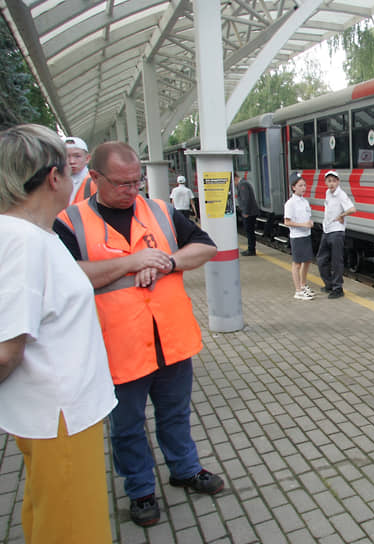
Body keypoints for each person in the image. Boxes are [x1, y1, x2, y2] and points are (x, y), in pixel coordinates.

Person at [54, 141, 224, 527]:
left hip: (171, 340)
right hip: (118, 345)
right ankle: (140, 489)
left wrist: (165, 262)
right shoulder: (70, 221)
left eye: (137, 181)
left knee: (176, 414)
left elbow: (204, 247)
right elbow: (66, 275)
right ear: (95, 178)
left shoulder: (160, 210)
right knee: (127, 425)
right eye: (123, 183)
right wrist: (132, 262)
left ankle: (185, 468)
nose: (133, 190)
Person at [0, 124, 117, 543]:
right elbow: (5, 351)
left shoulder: (33, 236)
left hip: (58, 416)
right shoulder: (22, 242)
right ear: (54, 178)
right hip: (59, 418)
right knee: (73, 530)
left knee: (48, 517)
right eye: (68, 172)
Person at [316, 170, 356, 299]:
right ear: (326, 183)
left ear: (338, 182)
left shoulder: (341, 194)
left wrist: (342, 215)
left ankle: (338, 288)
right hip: (327, 230)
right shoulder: (328, 193)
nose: (331, 183)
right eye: (329, 181)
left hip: (337, 231)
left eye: (334, 181)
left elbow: (352, 209)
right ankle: (329, 284)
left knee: (336, 261)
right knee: (321, 259)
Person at [284, 172, 315, 300]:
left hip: (306, 235)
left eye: (304, 185)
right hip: (297, 237)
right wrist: (303, 225)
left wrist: (309, 224)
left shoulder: (305, 202)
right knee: (297, 264)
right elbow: (287, 221)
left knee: (307, 261)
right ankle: (298, 291)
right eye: (300, 185)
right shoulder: (290, 203)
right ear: (293, 187)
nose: (303, 187)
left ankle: (303, 285)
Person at [63, 135, 97, 204]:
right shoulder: (55, 182)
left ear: (87, 158)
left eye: (77, 156)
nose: (72, 161)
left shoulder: (95, 182)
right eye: (66, 156)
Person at [236, 172, 259, 256]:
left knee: (249, 231)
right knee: (249, 231)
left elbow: (246, 199)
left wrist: (245, 212)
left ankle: (251, 249)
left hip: (249, 213)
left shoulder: (243, 184)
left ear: (235, 178)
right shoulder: (244, 183)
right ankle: (251, 249)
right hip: (250, 212)